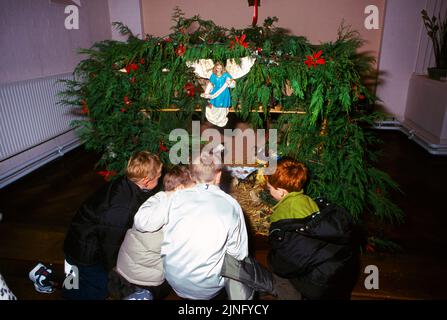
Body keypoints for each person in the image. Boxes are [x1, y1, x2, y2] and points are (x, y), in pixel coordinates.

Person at [134, 152, 248, 300]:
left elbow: (142, 222)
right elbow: (239, 254)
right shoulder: (231, 206)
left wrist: (165, 195)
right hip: (208, 287)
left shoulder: (175, 197)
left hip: (173, 279)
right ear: (218, 175)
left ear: (192, 175)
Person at [62, 151, 162, 300]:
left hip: (78, 236)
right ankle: (69, 293)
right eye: (158, 177)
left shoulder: (127, 182)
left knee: (73, 280)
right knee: (98, 290)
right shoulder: (121, 210)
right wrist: (114, 269)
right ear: (146, 180)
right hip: (84, 252)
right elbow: (110, 246)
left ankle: (68, 289)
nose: (160, 180)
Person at [265, 157, 361, 300]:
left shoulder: (283, 215)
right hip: (339, 271)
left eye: (269, 188)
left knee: (278, 274)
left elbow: (292, 260)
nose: (268, 191)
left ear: (282, 192)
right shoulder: (308, 200)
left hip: (319, 283)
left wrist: (272, 261)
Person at [109, 165, 194, 300]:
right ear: (180, 189)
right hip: (144, 277)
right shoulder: (173, 214)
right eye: (193, 190)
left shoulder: (158, 198)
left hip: (127, 266)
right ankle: (140, 294)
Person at [201, 62, 236, 127]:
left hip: (224, 92)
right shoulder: (213, 76)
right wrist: (206, 93)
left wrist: (230, 83)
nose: (219, 69)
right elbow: (210, 84)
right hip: (215, 92)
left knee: (222, 107)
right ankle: (216, 119)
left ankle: (222, 119)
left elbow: (233, 84)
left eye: (220, 68)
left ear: (222, 68)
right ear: (215, 68)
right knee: (216, 106)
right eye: (218, 68)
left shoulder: (226, 75)